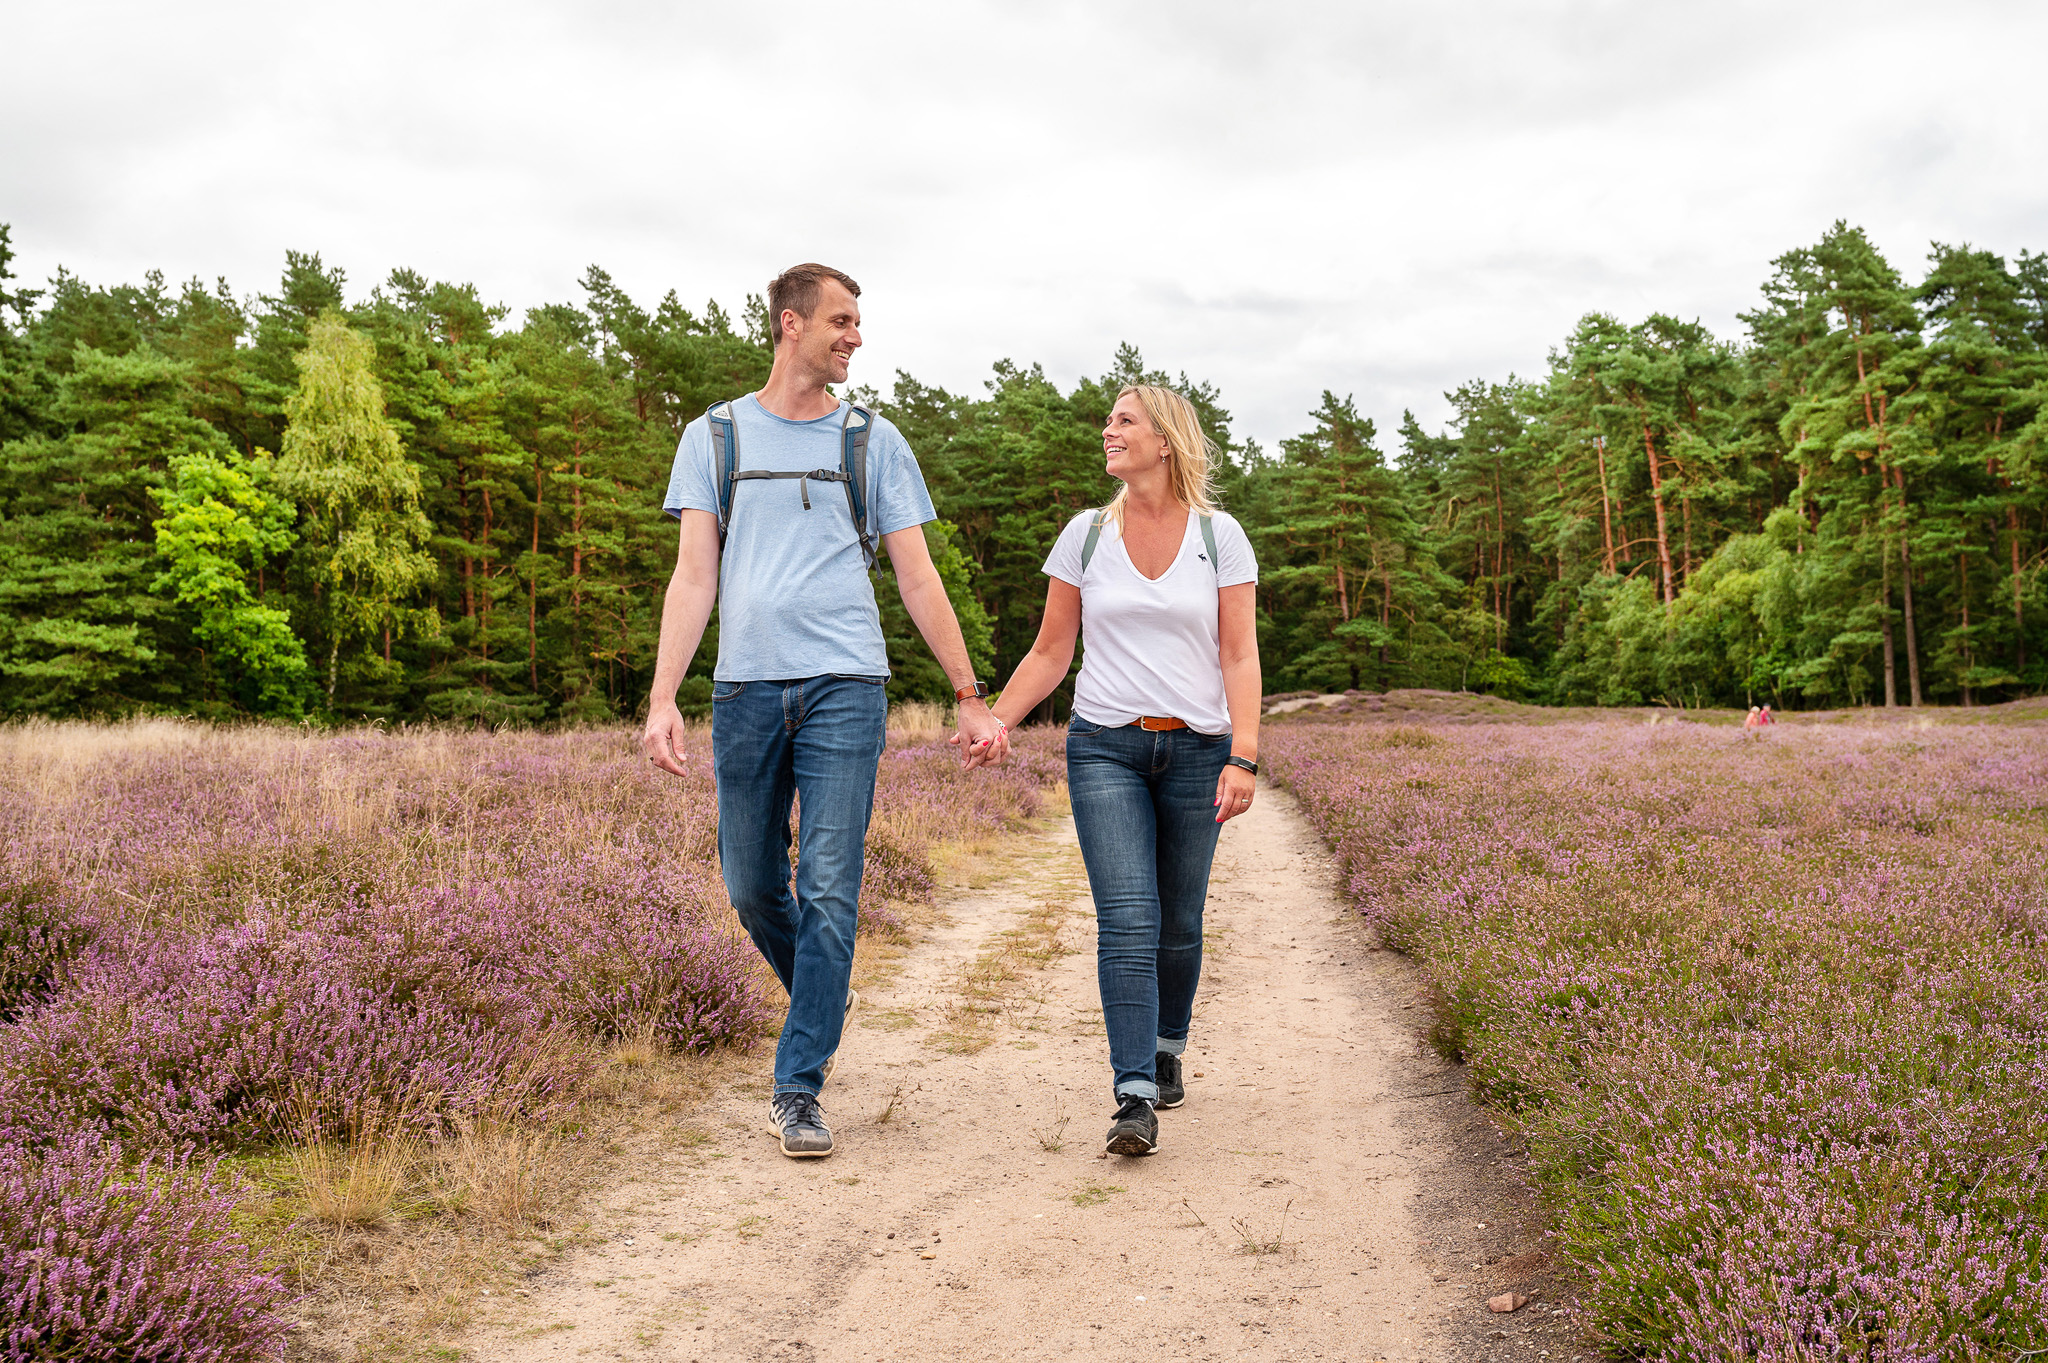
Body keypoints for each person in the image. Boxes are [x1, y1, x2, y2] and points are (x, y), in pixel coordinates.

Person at [641, 263, 1004, 1160]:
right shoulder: (714, 437)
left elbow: (918, 575)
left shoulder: (874, 442)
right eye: (840, 321)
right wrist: (662, 697)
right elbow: (695, 575)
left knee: (830, 887)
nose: (854, 337)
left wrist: (967, 695)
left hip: (846, 686)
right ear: (789, 324)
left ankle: (797, 1086)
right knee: (749, 883)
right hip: (746, 691)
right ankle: (822, 990)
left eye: (858, 322)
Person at [964, 384, 1260, 1156]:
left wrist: (1245, 754)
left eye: (1124, 420)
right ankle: (1133, 1094)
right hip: (1104, 747)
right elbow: (1051, 651)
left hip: (1198, 749)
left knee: (1179, 921)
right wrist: (999, 718)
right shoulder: (1085, 536)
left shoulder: (1220, 537)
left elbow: (1239, 652)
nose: (1108, 429)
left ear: (1166, 440)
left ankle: (1167, 1043)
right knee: (1128, 916)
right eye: (1110, 420)